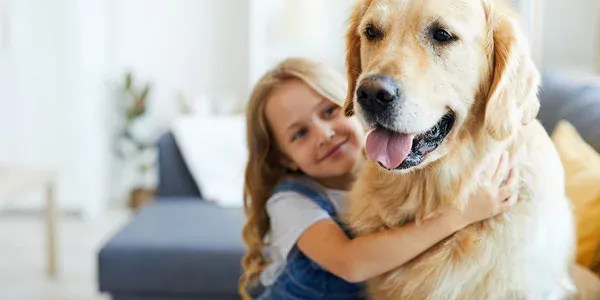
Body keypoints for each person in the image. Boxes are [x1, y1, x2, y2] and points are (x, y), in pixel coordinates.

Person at [238, 57, 516, 300]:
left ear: (352, 104)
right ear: (285, 158)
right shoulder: (290, 202)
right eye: (300, 133)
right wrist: (459, 215)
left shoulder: (391, 161)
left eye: (328, 111)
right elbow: (351, 263)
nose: (324, 134)